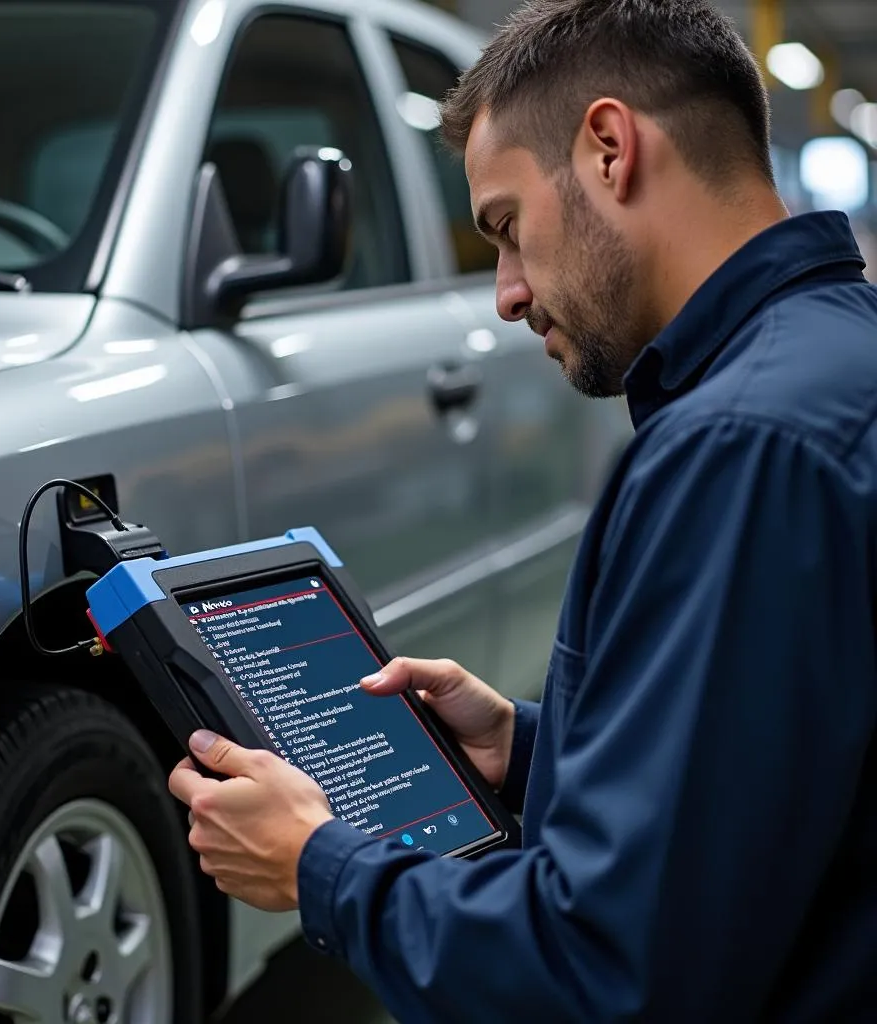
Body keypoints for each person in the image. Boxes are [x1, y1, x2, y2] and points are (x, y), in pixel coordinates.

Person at [168, 0, 877, 1018]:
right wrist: (530, 751)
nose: (503, 294)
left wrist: (320, 868)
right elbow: (784, 783)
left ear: (606, 148)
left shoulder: (740, 446)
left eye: (505, 227)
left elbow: (612, 971)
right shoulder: (830, 360)